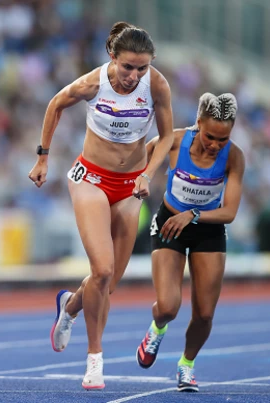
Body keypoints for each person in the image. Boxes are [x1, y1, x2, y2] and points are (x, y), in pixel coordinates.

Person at [28, 21, 175, 389]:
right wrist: (43, 157)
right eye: (128, 67)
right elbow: (55, 104)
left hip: (130, 187)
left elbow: (168, 135)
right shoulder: (94, 83)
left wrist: (148, 175)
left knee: (106, 285)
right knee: (103, 269)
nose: (134, 76)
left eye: (141, 68)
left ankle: (70, 306)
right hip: (90, 180)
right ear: (113, 56)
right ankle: (95, 360)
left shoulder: (155, 84)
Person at [136, 93, 244, 392]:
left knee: (205, 313)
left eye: (223, 139)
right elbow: (139, 161)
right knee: (169, 306)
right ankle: (156, 329)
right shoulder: (174, 141)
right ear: (198, 123)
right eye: (210, 136)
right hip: (170, 224)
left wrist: (193, 214)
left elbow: (230, 212)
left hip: (207, 228)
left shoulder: (233, 157)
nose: (215, 145)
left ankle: (187, 364)